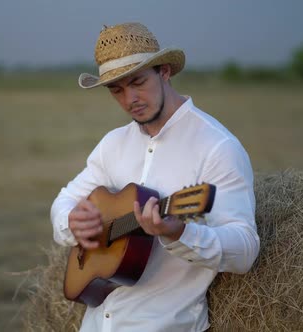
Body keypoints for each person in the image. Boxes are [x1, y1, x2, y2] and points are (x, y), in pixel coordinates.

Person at [50, 22, 260, 332]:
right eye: (116, 89)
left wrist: (180, 234)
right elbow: (65, 200)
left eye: (137, 82)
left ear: (164, 71)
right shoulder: (113, 144)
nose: (129, 99)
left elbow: (245, 251)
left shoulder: (217, 148)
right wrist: (72, 221)